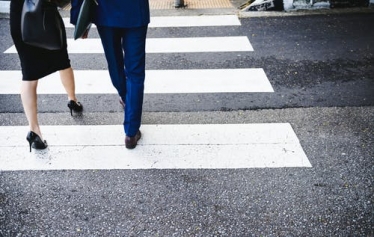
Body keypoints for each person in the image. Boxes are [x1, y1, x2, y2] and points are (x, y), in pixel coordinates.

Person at [71, 0, 150, 149]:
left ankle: (125, 96)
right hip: (136, 11)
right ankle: (131, 133)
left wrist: (77, 17)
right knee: (135, 72)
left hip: (105, 12)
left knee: (114, 63)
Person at [10, 0, 83, 152]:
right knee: (62, 61)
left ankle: (34, 130)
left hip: (21, 19)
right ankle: (72, 100)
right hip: (44, 17)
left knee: (29, 75)